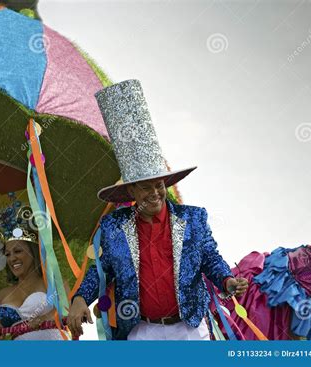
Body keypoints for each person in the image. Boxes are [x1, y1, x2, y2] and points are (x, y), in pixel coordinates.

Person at [68, 79, 248, 340]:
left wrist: (227, 281)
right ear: (130, 192)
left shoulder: (194, 219)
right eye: (145, 187)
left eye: (159, 184)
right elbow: (100, 271)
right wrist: (80, 298)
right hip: (140, 331)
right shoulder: (113, 226)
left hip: (189, 330)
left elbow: (210, 258)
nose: (155, 193)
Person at [0, 206, 65, 340]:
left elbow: (68, 310)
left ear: (33, 253)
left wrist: (45, 318)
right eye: (8, 254)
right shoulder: (3, 293)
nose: (12, 258)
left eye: (18, 251)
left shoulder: (53, 282)